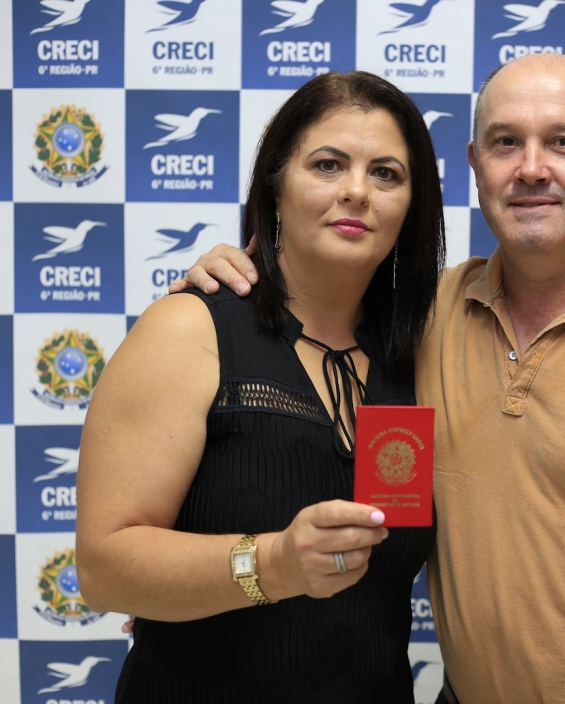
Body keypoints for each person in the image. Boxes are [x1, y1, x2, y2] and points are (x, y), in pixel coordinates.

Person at [171, 54, 565, 704]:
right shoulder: (423, 316)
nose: (531, 168)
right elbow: (302, 342)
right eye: (505, 143)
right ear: (475, 166)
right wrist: (232, 278)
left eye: (563, 142)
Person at [75, 71, 446, 703]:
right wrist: (272, 564)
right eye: (327, 165)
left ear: (412, 206)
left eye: (386, 174)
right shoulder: (191, 328)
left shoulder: (425, 356)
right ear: (275, 185)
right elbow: (103, 570)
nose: (357, 191)